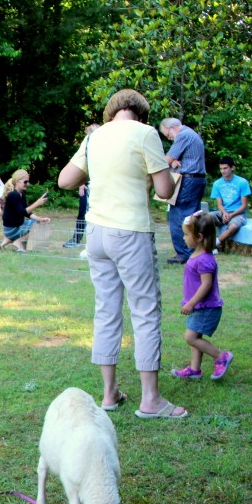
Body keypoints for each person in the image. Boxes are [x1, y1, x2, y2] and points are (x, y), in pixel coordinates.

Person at [58, 89, 187, 419]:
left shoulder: (95, 137)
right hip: (130, 232)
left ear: (112, 112)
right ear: (142, 114)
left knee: (106, 310)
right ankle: (151, 400)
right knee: (144, 310)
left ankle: (109, 393)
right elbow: (163, 190)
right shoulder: (145, 134)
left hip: (97, 234)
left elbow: (65, 181)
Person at [171, 211, 234, 380]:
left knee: (191, 337)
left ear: (199, 236)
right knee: (196, 336)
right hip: (200, 307)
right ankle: (194, 369)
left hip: (207, 308)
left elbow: (206, 285)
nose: (183, 238)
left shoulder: (205, 259)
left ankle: (221, 356)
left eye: (186, 234)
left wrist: (191, 303)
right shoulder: (197, 255)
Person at [159, 117, 206, 264]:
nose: (170, 138)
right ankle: (195, 250)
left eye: (168, 135)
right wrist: (173, 160)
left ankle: (183, 253)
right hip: (197, 180)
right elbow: (173, 158)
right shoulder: (192, 134)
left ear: (173, 128)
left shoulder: (183, 135)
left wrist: (170, 160)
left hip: (188, 181)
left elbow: (165, 160)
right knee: (193, 216)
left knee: (179, 215)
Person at [63, 123, 100, 249]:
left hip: (101, 187)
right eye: (89, 132)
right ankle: (76, 239)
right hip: (88, 186)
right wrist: (81, 184)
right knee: (82, 213)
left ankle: (94, 243)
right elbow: (83, 168)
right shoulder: (87, 147)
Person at [0, 170, 49, 253]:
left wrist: (40, 219)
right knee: (34, 224)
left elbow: (27, 213)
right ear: (18, 182)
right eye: (25, 182)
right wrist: (37, 203)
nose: (27, 184)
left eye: (28, 182)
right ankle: (18, 243)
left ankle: (6, 242)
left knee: (37, 222)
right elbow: (21, 212)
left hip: (13, 227)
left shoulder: (22, 194)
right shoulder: (13, 195)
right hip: (12, 228)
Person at [209, 156, 251, 250]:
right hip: (223, 212)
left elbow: (244, 205)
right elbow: (219, 204)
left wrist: (231, 215)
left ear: (232, 167)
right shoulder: (217, 183)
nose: (223, 171)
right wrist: (224, 213)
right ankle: (203, 243)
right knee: (205, 219)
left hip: (238, 213)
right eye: (221, 169)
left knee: (233, 226)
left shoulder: (242, 182)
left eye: (225, 168)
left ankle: (214, 244)